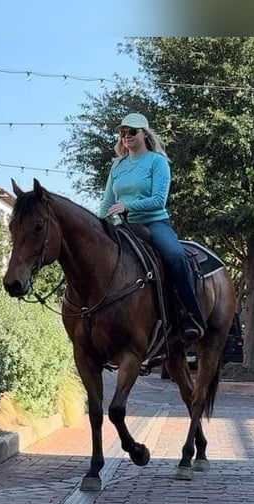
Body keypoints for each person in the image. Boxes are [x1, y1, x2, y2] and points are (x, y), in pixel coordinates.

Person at [97, 112, 206, 341]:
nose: (126, 136)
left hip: (154, 222)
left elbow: (159, 200)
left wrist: (126, 205)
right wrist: (98, 226)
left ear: (144, 134)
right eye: (123, 132)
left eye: (132, 132)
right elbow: (107, 202)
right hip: (124, 225)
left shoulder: (158, 162)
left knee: (175, 255)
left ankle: (190, 315)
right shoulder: (117, 166)